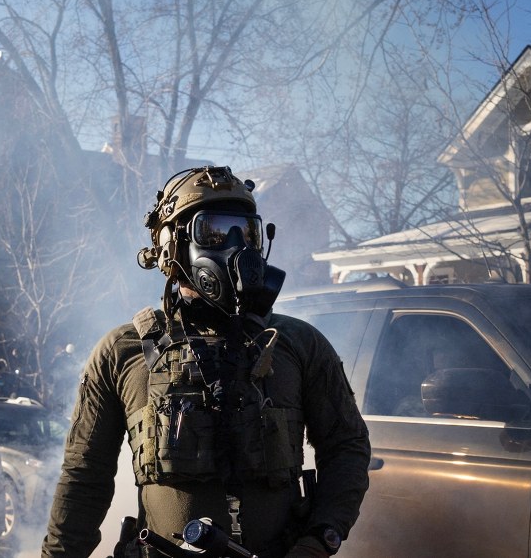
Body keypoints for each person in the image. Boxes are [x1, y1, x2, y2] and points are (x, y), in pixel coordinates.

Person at [42, 166, 371, 558]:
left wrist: (321, 538)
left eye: (246, 233)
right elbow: (84, 478)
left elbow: (347, 447)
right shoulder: (122, 351)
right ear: (171, 245)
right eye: (213, 232)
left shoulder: (298, 345)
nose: (235, 247)